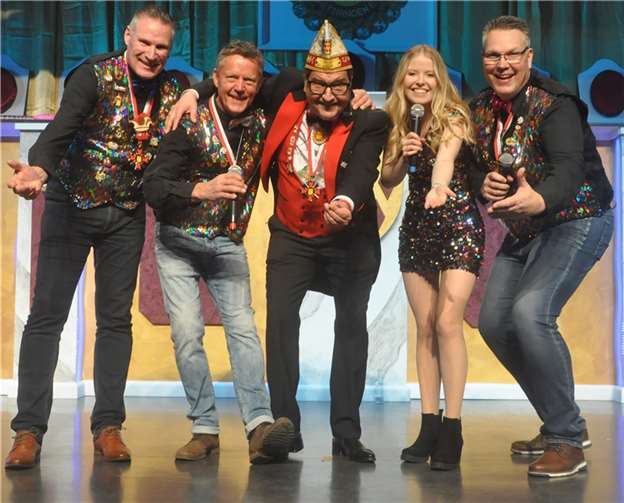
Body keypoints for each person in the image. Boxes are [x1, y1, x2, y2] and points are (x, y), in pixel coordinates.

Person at [166, 21, 380, 464]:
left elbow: (363, 171)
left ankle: (346, 434)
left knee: (351, 327)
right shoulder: (284, 90)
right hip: (291, 236)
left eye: (339, 86)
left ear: (351, 85)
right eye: (318, 84)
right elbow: (236, 79)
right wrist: (193, 91)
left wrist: (346, 201)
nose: (327, 95)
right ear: (306, 80)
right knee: (281, 325)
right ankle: (282, 430)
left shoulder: (370, 120)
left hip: (349, 241)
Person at [4, 6, 183, 469]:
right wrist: (38, 170)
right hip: (72, 206)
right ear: (127, 37)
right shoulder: (94, 76)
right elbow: (61, 128)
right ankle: (28, 431)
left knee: (115, 321)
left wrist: (195, 93)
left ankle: (108, 427)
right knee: (47, 318)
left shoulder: (174, 88)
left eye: (161, 47)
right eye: (145, 43)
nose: (151, 53)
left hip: (125, 214)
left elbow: (208, 95)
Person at [472, 16, 613, 478]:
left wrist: (540, 198)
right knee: (494, 323)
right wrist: (483, 181)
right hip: (527, 230)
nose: (503, 64)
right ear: (483, 59)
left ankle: (566, 440)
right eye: (494, 55)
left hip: (578, 219)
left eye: (512, 54)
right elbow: (472, 165)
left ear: (529, 57)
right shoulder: (480, 108)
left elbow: (569, 169)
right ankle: (561, 420)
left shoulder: (556, 104)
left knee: (530, 312)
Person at [142, 40, 295, 465]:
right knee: (187, 334)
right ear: (216, 78)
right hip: (178, 242)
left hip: (227, 243)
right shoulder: (189, 120)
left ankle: (259, 428)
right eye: (230, 78)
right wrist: (201, 189)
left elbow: (291, 79)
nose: (240, 87)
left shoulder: (263, 116)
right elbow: (153, 187)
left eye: (249, 80)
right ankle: (205, 429)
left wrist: (198, 87)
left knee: (243, 331)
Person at [380, 45, 483, 470]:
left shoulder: (454, 116)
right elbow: (387, 179)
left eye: (428, 74)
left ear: (440, 80)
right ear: (402, 80)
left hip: (457, 225)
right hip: (418, 229)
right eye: (412, 74)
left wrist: (440, 187)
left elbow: (445, 159)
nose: (420, 82)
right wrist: (402, 154)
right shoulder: (397, 120)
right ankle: (428, 425)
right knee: (424, 327)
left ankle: (453, 428)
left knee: (446, 323)